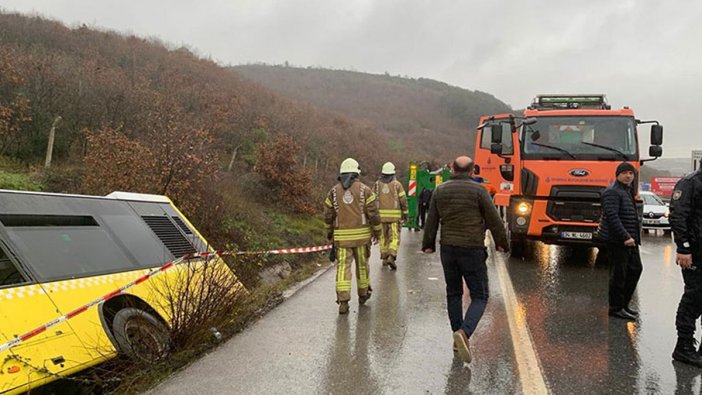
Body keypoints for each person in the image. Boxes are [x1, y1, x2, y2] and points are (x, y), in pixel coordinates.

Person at [422, 156, 508, 364]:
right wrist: (502, 243)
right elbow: (494, 220)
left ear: (452, 169)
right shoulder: (480, 191)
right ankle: (464, 333)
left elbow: (432, 219)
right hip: (472, 249)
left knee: (454, 292)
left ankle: (456, 336)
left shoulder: (440, 190)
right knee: (480, 295)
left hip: (448, 250)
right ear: (472, 171)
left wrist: (428, 244)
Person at [324, 158, 382, 314]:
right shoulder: (365, 190)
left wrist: (329, 232)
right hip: (362, 239)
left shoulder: (333, 192)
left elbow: (328, 216)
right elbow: (374, 214)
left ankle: (343, 301)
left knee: (343, 268)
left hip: (342, 240)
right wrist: (377, 232)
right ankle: (363, 295)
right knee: (362, 266)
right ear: (357, 173)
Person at [598, 162, 642, 321]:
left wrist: (634, 238)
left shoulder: (627, 191)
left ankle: (623, 305)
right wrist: (625, 237)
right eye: (625, 173)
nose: (628, 176)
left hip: (631, 240)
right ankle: (616, 308)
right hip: (618, 240)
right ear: (617, 174)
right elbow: (612, 217)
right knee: (619, 275)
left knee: (635, 269)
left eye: (631, 173)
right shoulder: (612, 192)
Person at [669, 166, 702, 367]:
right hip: (696, 251)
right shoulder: (690, 182)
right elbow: (678, 216)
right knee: (694, 297)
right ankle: (683, 346)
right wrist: (683, 247)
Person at [374, 162, 408, 270]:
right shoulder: (397, 184)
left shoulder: (376, 185)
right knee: (394, 237)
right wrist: (406, 213)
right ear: (393, 173)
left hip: (380, 217)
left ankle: (384, 258)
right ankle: (391, 256)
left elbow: (371, 200)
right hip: (394, 218)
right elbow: (403, 200)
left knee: (383, 238)